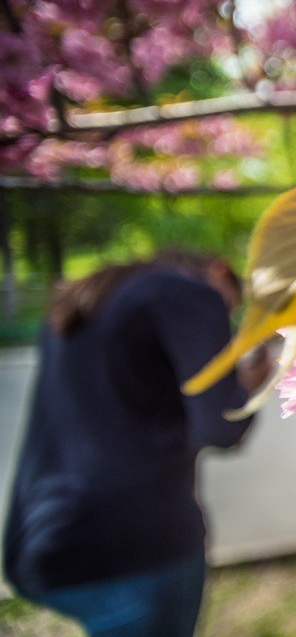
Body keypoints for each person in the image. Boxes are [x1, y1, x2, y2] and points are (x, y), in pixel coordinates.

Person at [3, 252, 272, 636]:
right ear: (218, 273)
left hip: (42, 540)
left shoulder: (87, 295)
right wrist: (249, 384)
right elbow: (222, 428)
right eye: (228, 310)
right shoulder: (191, 291)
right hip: (134, 549)